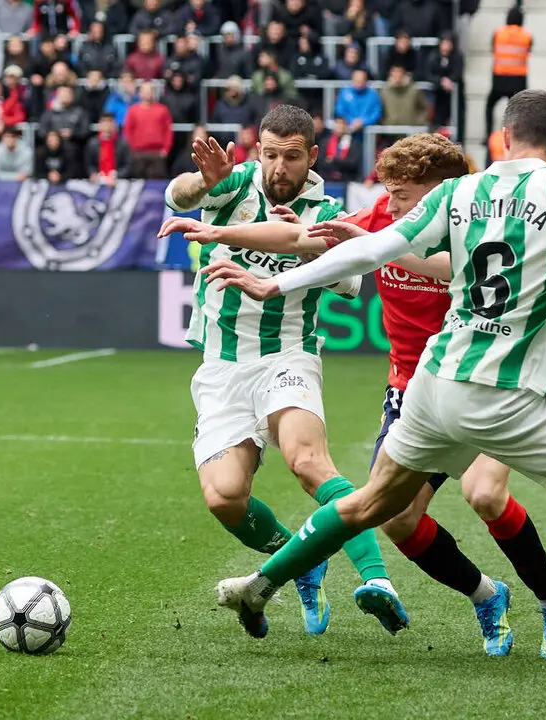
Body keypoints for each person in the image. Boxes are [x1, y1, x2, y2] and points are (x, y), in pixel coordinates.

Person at [204, 71, 546, 680]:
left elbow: (369, 249)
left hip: (431, 386)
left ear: (502, 138)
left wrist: (274, 283)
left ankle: (259, 585)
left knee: (373, 503)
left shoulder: (459, 193)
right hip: (502, 394)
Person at [160, 133, 546, 661]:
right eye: (390, 192)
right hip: (413, 389)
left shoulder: (475, 218)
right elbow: (301, 238)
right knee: (396, 516)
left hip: (487, 376)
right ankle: (486, 596)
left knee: (485, 494)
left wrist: (384, 244)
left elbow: (456, 267)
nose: (392, 204)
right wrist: (218, 231)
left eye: (403, 195)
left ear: (441, 191)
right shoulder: (380, 215)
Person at [161, 104, 410, 639]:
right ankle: (297, 563)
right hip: (223, 366)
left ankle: (378, 579)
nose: (279, 167)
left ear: (312, 156)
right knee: (224, 497)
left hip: (288, 357)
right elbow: (178, 196)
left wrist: (308, 249)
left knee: (308, 462)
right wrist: (203, 182)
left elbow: (350, 284)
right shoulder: (234, 185)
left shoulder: (326, 210)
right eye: (270, 155)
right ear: (258, 151)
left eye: (291, 157)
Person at [486, 6, 530, 142]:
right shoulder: (526, 36)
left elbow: (493, 49)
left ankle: (488, 135)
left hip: (500, 78)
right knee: (520, 111)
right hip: (518, 80)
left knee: (490, 105)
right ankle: (519, 136)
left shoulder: (498, 33)